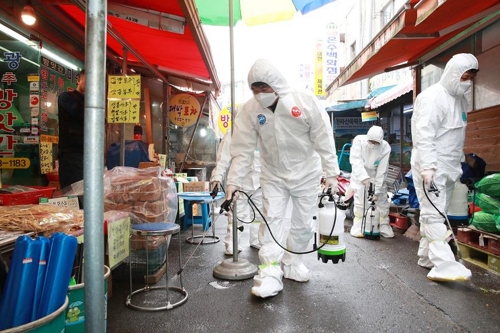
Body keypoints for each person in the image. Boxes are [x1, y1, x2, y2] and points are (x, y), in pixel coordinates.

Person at [225, 59, 340, 298]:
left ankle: (293, 262)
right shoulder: (250, 110)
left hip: (307, 173)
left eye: (264, 89)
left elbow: (323, 138)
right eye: (255, 91)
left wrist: (331, 174)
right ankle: (268, 272)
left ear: (276, 84)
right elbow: (242, 149)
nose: (260, 95)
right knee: (272, 220)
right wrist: (234, 182)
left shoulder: (304, 101)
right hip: (273, 173)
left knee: (302, 223)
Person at [411, 53, 479, 282]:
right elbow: (424, 134)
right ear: (453, 73)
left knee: (437, 213)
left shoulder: (460, 100)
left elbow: (456, 135)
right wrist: (428, 166)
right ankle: (444, 264)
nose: (467, 81)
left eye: (470, 77)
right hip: (432, 167)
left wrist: (460, 162)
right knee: (434, 215)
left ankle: (426, 257)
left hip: (450, 168)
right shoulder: (432, 97)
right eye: (464, 76)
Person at [210, 132, 264, 255]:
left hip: (261, 181)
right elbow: (223, 158)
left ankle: (256, 239)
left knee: (260, 214)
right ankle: (232, 244)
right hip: (239, 181)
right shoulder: (234, 131)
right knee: (236, 214)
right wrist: (217, 176)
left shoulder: (264, 129)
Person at [349, 125, 393, 238]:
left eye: (376, 142)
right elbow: (356, 160)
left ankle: (383, 225)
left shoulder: (385, 147)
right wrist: (363, 178)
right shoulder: (359, 141)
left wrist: (377, 191)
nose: (373, 144)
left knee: (382, 203)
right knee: (360, 202)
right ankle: (359, 225)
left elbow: (382, 170)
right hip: (360, 176)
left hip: (376, 175)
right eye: (371, 141)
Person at [58, 69, 85, 191]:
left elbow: (103, 121)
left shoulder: (96, 102)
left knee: (87, 192)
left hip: (88, 154)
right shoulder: (66, 97)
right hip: (71, 154)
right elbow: (81, 115)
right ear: (79, 80)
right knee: (73, 193)